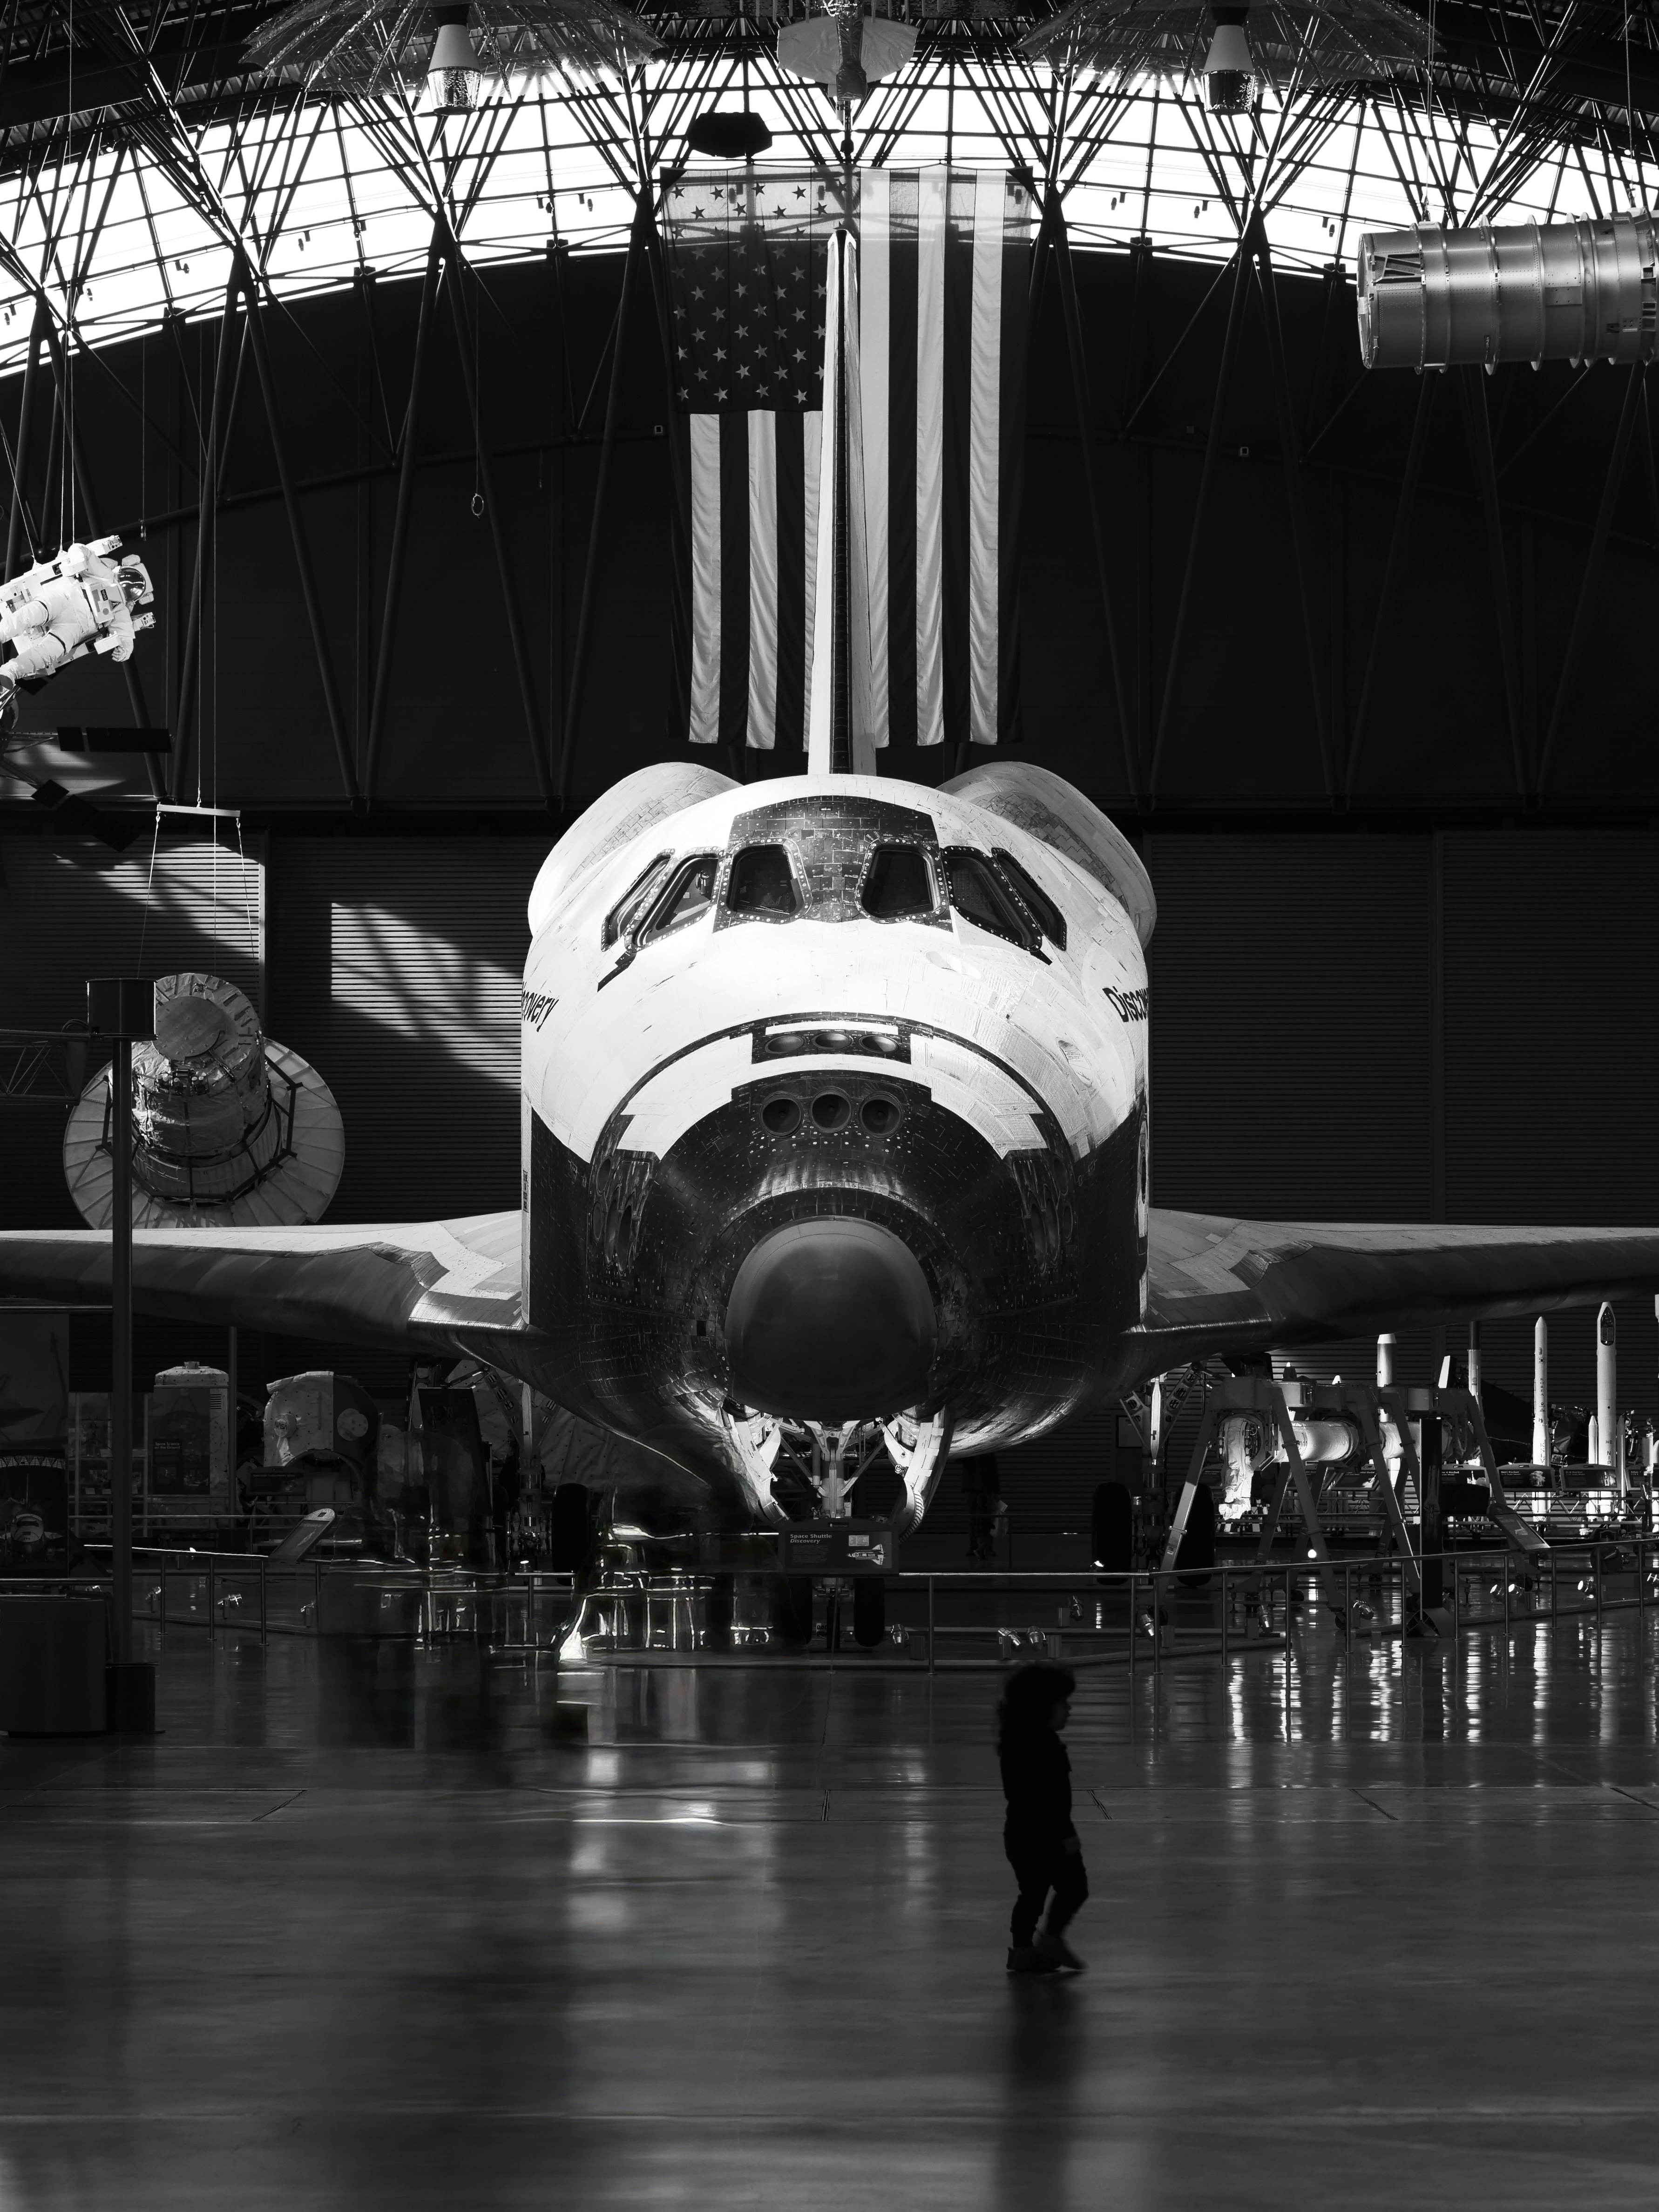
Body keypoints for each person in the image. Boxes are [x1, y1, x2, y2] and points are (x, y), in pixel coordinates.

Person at [997, 1661, 1087, 1975]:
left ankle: (1021, 1951)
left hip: (1018, 1834)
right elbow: (1053, 1799)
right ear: (1042, 1707)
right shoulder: (1047, 1749)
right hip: (1048, 1836)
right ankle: (1052, 1939)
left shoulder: (1014, 1744)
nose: (1068, 1709)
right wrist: (1067, 1835)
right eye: (1062, 1702)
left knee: (1031, 1895)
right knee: (1075, 1887)